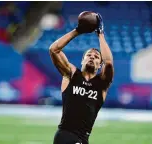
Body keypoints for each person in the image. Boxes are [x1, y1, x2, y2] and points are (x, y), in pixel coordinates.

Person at [49, 13, 114, 144]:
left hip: (84, 139)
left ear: (99, 65)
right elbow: (54, 49)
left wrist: (100, 34)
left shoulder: (102, 84)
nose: (92, 57)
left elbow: (109, 63)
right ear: (82, 60)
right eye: (89, 55)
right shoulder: (71, 74)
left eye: (96, 57)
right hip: (65, 135)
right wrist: (78, 30)